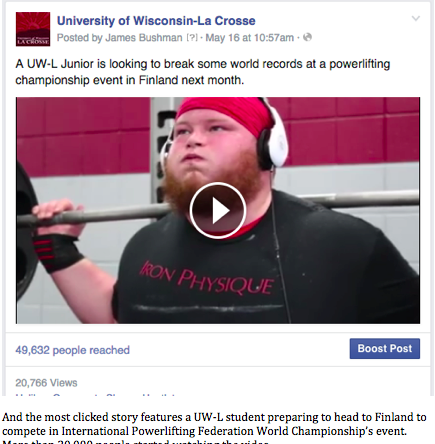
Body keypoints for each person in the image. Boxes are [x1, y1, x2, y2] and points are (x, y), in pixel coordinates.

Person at [31, 97, 419, 324]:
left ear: (268, 149)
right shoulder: (146, 243)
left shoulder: (344, 243)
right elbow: (119, 321)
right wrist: (57, 251)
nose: (192, 140)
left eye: (216, 128)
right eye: (181, 132)